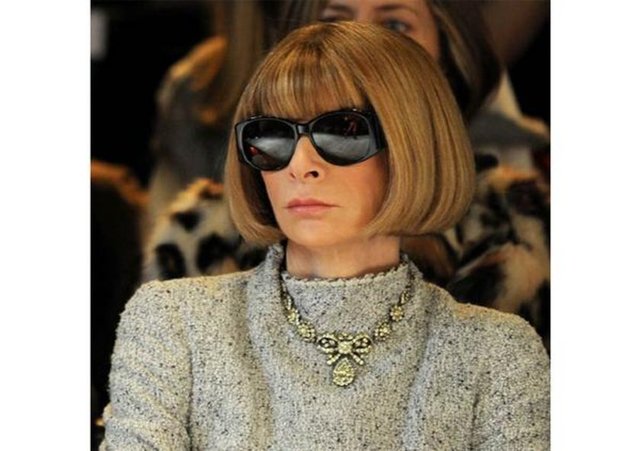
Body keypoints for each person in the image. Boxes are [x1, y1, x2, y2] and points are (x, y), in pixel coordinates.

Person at [103, 22, 549, 449]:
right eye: (271, 136)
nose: (300, 165)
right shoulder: (173, 322)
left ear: (415, 144)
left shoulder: (498, 352)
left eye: (342, 132)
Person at [144, 0, 550, 350]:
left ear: (448, 57)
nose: (362, 44)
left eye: (395, 25)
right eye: (335, 21)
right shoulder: (200, 241)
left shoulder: (525, 232)